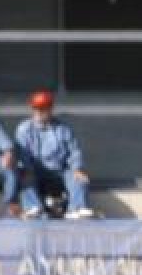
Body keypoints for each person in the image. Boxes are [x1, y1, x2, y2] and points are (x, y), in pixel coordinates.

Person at [14, 89, 93, 220]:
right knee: (24, 178)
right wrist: (26, 169)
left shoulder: (63, 129)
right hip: (35, 171)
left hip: (60, 171)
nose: (39, 112)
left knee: (79, 178)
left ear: (50, 109)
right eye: (36, 108)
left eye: (43, 108)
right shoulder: (24, 129)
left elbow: (74, 151)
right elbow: (22, 154)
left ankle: (76, 208)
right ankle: (34, 208)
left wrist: (77, 168)